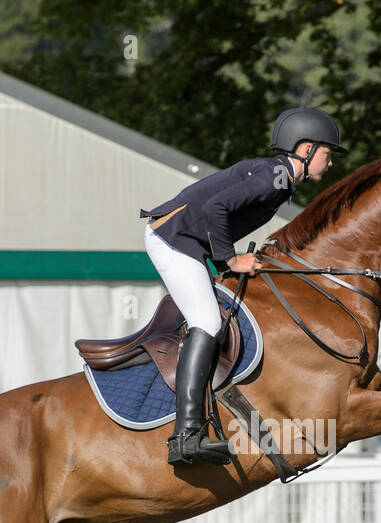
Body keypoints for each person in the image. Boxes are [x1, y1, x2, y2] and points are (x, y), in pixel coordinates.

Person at [139, 107, 347, 465]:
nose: (329, 165)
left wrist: (224, 259)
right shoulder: (277, 177)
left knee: (215, 318)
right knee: (208, 321)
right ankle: (186, 436)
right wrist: (230, 260)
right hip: (172, 239)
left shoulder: (280, 179)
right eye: (327, 155)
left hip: (189, 241)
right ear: (307, 148)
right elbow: (216, 209)